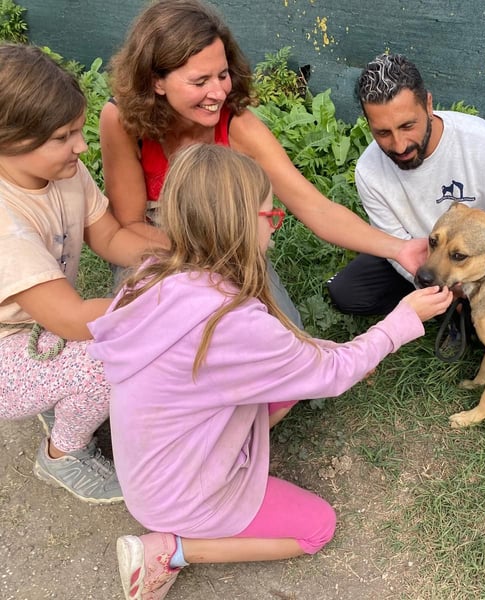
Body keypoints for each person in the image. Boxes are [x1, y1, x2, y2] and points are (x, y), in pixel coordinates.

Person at [87, 144, 452, 600]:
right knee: (316, 528)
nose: (274, 226)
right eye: (269, 215)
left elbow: (299, 360)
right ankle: (172, 550)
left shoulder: (151, 275)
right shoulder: (231, 321)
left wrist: (332, 351)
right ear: (241, 223)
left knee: (292, 382)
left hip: (149, 467)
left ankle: (216, 476)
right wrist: (401, 321)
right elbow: (333, 374)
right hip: (179, 495)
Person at [99, 0, 429, 325]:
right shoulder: (121, 121)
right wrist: (197, 261)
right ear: (157, 81)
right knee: (162, 335)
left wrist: (399, 249)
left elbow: (316, 209)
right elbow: (130, 224)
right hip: (157, 245)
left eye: (223, 75)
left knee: (284, 336)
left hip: (227, 245)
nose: (218, 93)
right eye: (200, 82)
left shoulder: (237, 126)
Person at [0, 44, 160, 503]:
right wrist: (164, 308)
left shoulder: (63, 172)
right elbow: (72, 319)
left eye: (77, 129)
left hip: (36, 324)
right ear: (9, 139)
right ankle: (62, 455)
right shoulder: (6, 226)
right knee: (109, 355)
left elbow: (110, 237)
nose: (81, 145)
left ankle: (56, 389)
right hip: (10, 346)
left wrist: (185, 254)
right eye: (63, 136)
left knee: (148, 292)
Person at [326, 53, 485, 316]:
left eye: (408, 125)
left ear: (428, 105)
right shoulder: (369, 170)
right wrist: (436, 285)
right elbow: (396, 243)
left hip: (475, 261)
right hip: (416, 254)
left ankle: (460, 306)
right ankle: (443, 304)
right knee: (347, 293)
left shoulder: (481, 142)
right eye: (383, 133)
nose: (399, 145)